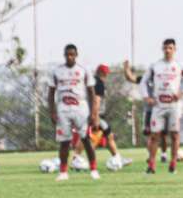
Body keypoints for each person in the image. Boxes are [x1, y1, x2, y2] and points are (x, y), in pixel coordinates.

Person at [138, 39, 183, 174]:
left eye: (170, 48)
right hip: (158, 106)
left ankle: (173, 164)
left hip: (174, 105)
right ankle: (151, 166)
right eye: (165, 48)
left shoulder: (180, 65)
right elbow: (142, 82)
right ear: (162, 49)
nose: (167, 50)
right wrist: (146, 97)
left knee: (175, 135)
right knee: (155, 136)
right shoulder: (155, 66)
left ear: (174, 49)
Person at [47, 43, 99, 181]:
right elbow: (51, 92)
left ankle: (93, 169)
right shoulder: (57, 71)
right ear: (64, 56)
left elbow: (92, 92)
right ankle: (63, 172)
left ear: (76, 55)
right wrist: (52, 111)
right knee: (64, 142)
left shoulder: (83, 70)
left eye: (72, 54)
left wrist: (94, 113)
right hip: (63, 108)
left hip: (80, 107)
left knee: (85, 139)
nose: (69, 57)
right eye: (67, 55)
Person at [73, 63, 132, 168]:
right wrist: (95, 117)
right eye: (105, 74)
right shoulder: (98, 83)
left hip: (85, 112)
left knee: (107, 135)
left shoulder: (92, 82)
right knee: (92, 136)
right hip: (93, 114)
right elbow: (96, 101)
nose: (106, 77)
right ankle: (75, 158)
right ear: (102, 73)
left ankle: (117, 157)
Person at [124, 59, 169, 168]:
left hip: (162, 109)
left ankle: (163, 154)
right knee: (150, 134)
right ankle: (151, 156)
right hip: (150, 111)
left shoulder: (163, 79)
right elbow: (130, 78)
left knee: (162, 135)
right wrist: (126, 68)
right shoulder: (145, 79)